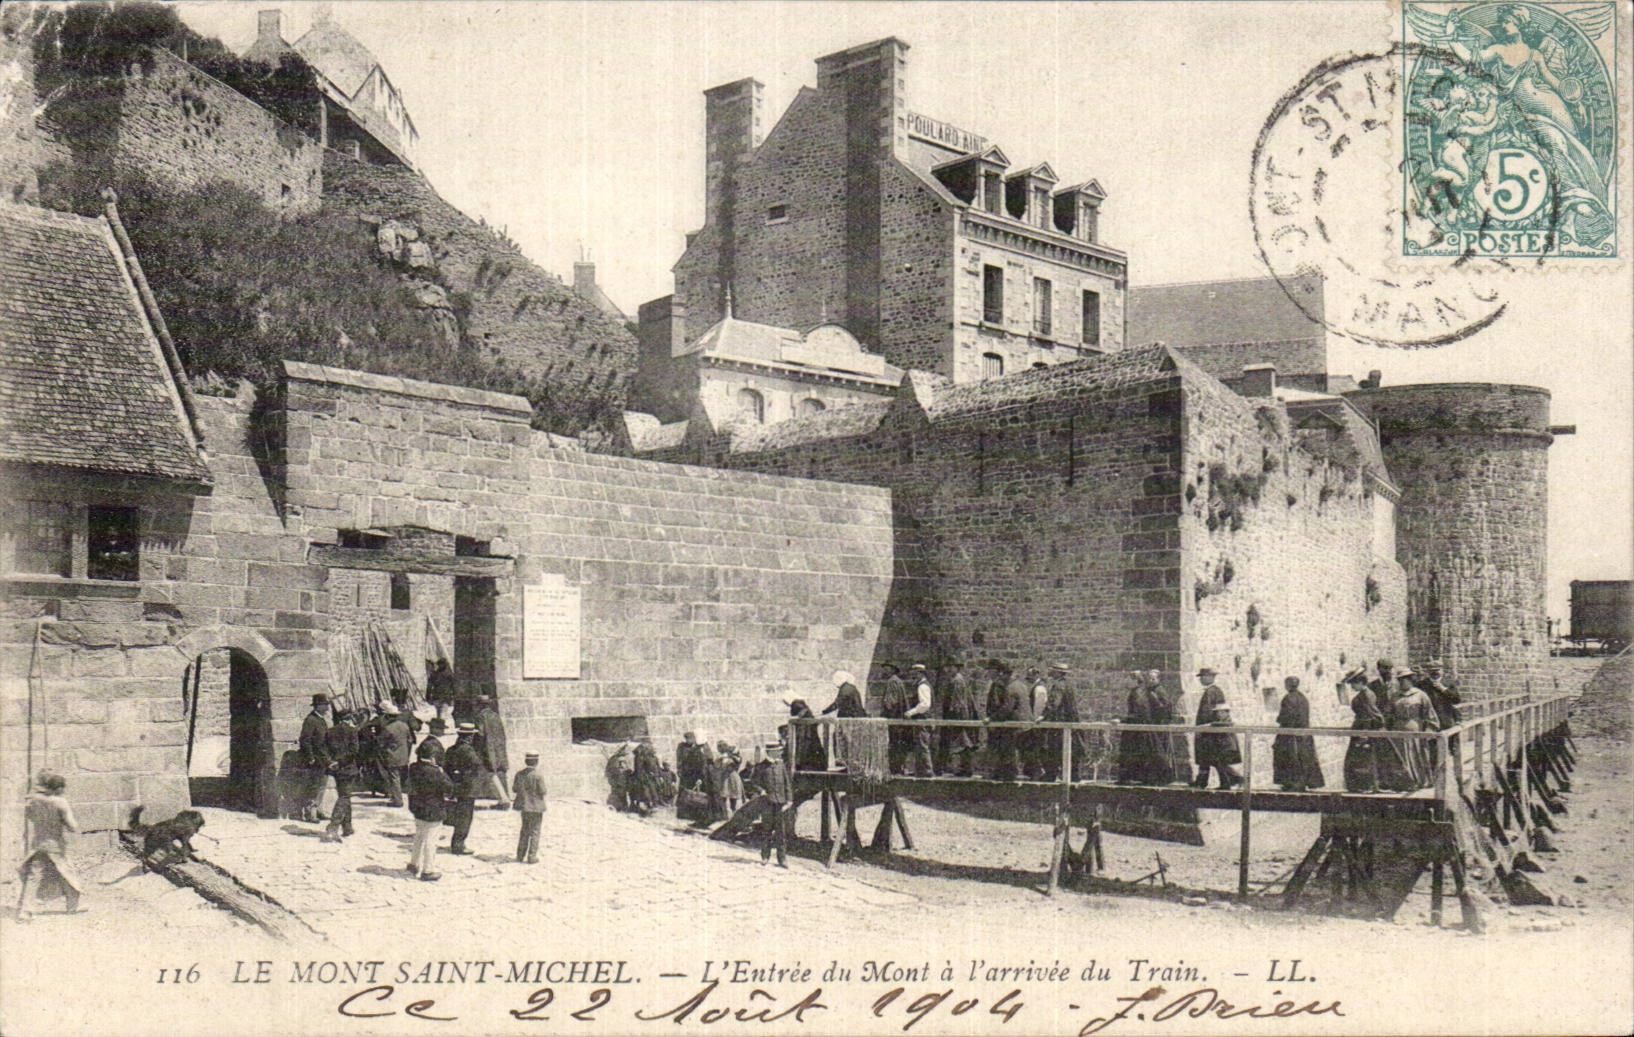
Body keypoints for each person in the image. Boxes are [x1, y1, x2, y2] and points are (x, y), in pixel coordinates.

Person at [16, 771, 83, 920]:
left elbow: (30, 817)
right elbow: (72, 826)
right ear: (58, 788)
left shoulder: (33, 800)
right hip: (56, 844)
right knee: (66, 873)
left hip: (39, 843)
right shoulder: (60, 802)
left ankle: (25, 911)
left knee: (34, 877)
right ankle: (72, 906)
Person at [406, 740, 450, 880]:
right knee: (431, 840)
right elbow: (449, 787)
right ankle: (428, 870)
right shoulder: (435, 771)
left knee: (419, 836)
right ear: (432, 756)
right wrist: (442, 772)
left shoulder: (413, 767)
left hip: (418, 808)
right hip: (433, 810)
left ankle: (414, 863)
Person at [1191, 668, 1242, 789]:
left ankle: (1232, 779)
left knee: (1214, 758)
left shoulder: (1212, 692)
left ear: (1210, 677)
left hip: (1210, 731)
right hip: (1208, 730)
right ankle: (1203, 781)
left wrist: (1203, 728)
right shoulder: (1212, 691)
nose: (1201, 679)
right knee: (1207, 757)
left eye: (1203, 676)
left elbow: (1210, 713)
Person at [1389, 667, 1440, 789]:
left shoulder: (1421, 695)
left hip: (1416, 729)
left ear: (1411, 680)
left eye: (1405, 679)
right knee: (1401, 757)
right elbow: (1389, 714)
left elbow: (1429, 713)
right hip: (1399, 730)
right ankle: (1404, 782)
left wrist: (1429, 729)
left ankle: (1421, 781)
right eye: (1400, 680)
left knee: (1417, 755)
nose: (1403, 682)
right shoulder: (1395, 696)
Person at [1272, 676, 1325, 792]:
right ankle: (1302, 782)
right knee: (1304, 759)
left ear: (1288, 685)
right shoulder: (1303, 698)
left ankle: (1292, 783)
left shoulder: (1288, 698)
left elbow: (1286, 716)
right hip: (1304, 734)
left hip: (1290, 734)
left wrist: (1279, 720)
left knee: (1291, 758)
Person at [442, 722, 483, 855]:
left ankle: (456, 843)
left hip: (455, 786)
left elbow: (446, 768)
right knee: (465, 817)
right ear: (470, 737)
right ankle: (459, 845)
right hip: (467, 789)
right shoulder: (469, 751)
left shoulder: (451, 749)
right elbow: (477, 766)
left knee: (458, 815)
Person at [1039, 663, 1085, 781]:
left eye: (1053, 670)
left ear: (1058, 673)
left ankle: (1051, 775)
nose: (1050, 672)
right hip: (1071, 720)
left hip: (1059, 722)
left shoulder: (1058, 685)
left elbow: (1054, 704)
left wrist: (1043, 716)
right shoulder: (1069, 685)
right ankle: (1074, 776)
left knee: (1054, 748)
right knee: (1071, 749)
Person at [1342, 667, 1385, 792]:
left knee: (1363, 759)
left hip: (1364, 730)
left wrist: (1365, 733)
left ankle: (1364, 785)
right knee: (1356, 758)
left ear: (1361, 682)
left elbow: (1373, 715)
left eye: (1354, 684)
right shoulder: (1363, 694)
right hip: (1359, 728)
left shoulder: (1367, 695)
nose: (1352, 687)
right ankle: (1358, 785)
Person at [938, 661, 980, 777]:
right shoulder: (958, 680)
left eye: (951, 667)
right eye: (947, 667)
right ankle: (965, 767)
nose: (948, 670)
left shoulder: (957, 681)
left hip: (959, 716)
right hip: (961, 715)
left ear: (957, 668)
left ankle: (967, 768)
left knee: (964, 742)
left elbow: (958, 703)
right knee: (963, 743)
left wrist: (955, 718)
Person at [323, 708, 360, 841]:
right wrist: (340, 762)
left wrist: (332, 762)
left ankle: (347, 827)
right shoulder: (352, 731)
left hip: (336, 769)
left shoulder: (330, 731)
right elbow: (354, 751)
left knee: (344, 795)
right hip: (348, 768)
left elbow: (324, 749)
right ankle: (333, 827)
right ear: (349, 718)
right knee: (344, 796)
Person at [757, 740, 793, 867]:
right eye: (777, 751)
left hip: (780, 803)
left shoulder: (781, 765)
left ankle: (782, 859)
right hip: (767, 803)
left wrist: (789, 800)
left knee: (781, 832)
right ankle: (765, 856)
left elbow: (787, 783)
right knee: (766, 830)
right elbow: (753, 782)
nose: (780, 753)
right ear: (770, 752)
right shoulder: (761, 766)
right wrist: (761, 790)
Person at [1146, 670, 1185, 785]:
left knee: (1161, 751)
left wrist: (1156, 701)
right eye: (1149, 678)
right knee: (1153, 751)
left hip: (1160, 725)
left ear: (1158, 680)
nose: (1150, 681)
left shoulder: (1160, 691)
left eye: (1153, 679)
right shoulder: (1148, 691)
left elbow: (1166, 707)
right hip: (1151, 724)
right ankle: (1154, 776)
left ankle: (1165, 777)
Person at [298, 693, 332, 823]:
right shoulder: (311, 720)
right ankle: (310, 813)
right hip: (316, 759)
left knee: (322, 785)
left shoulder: (320, 719)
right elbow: (305, 740)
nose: (327, 707)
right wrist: (310, 757)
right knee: (314, 786)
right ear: (318, 706)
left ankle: (317, 809)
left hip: (323, 758)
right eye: (324, 705)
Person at [1116, 670, 1153, 784]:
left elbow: (1139, 713)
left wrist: (1121, 719)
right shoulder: (1137, 692)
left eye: (1128, 679)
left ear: (1135, 680)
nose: (1126, 682)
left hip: (1136, 730)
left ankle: (1131, 778)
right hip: (1135, 729)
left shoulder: (1138, 693)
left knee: (1131, 753)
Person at [475, 697, 512, 810]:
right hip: (498, 748)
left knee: (490, 772)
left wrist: (476, 747)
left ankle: (503, 799)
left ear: (479, 705)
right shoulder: (496, 716)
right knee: (497, 772)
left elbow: (480, 735)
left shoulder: (480, 716)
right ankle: (504, 798)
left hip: (487, 748)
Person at [512, 750, 547, 865]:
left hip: (524, 806)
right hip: (536, 807)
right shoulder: (538, 776)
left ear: (525, 761)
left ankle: (520, 855)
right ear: (537, 762)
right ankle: (532, 856)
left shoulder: (519, 774)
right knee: (535, 831)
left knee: (524, 831)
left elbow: (514, 789)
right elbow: (543, 791)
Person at [904, 663, 936, 777]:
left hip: (923, 719)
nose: (913, 675)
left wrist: (911, 712)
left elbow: (925, 704)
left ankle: (927, 771)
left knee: (923, 745)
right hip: (921, 719)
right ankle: (920, 770)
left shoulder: (923, 686)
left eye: (915, 673)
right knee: (919, 744)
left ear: (920, 673)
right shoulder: (920, 685)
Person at [878, 664, 910, 774]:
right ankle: (898, 767)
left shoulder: (892, 681)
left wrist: (885, 716)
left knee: (894, 743)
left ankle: (895, 768)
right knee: (897, 743)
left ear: (892, 670)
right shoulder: (897, 681)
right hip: (898, 718)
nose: (883, 670)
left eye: (886, 668)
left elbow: (891, 702)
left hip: (894, 720)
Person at [380, 704, 411, 808]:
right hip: (403, 756)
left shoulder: (388, 728)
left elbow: (381, 743)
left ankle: (397, 800)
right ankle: (397, 796)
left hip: (392, 756)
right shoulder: (404, 725)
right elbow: (409, 740)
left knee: (394, 778)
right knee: (399, 777)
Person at [424, 658, 457, 722]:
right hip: (444, 697)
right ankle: (440, 728)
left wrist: (427, 696)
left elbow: (429, 686)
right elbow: (453, 686)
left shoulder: (435, 674)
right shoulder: (449, 674)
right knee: (442, 714)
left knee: (439, 714)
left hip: (438, 697)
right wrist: (454, 695)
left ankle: (439, 728)